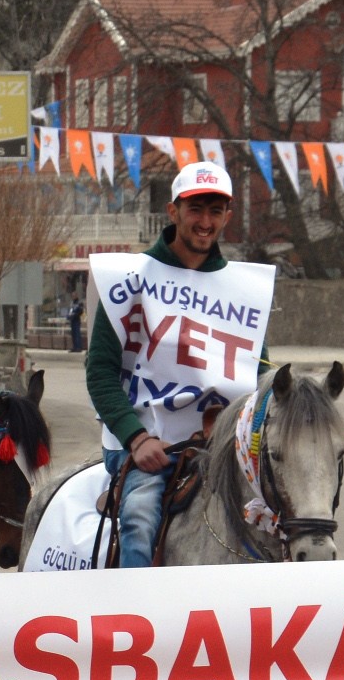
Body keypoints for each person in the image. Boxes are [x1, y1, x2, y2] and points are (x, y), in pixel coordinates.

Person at [84, 159, 268, 569]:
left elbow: (258, 373)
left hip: (222, 443)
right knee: (138, 519)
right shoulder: (129, 280)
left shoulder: (243, 290)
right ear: (174, 211)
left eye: (215, 211)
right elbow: (99, 372)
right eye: (195, 209)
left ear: (227, 217)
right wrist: (136, 439)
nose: (205, 221)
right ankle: (138, 621)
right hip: (147, 444)